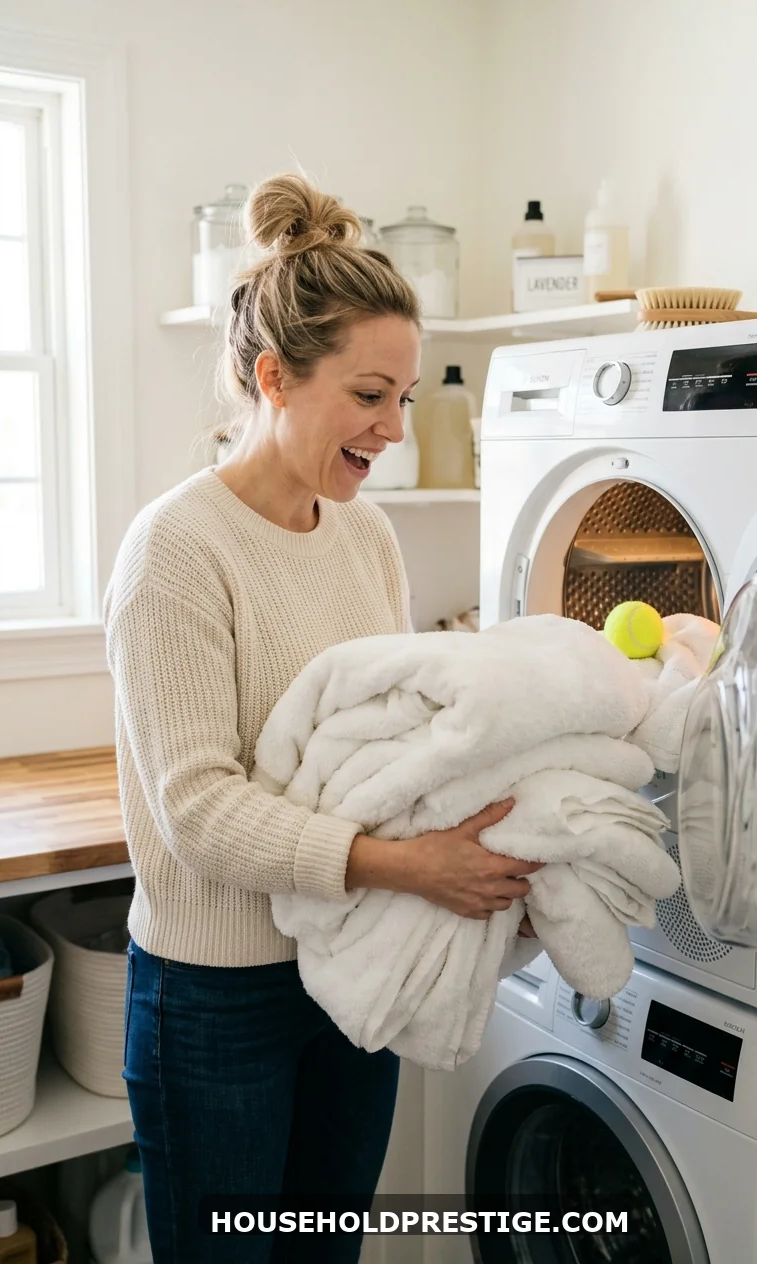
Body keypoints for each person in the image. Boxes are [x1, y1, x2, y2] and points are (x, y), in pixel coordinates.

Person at [104, 172, 539, 1264]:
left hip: (349, 969)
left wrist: (482, 851)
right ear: (273, 379)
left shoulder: (364, 537)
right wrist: (413, 869)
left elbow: (392, 742)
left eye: (401, 397)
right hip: (216, 999)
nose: (394, 427)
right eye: (368, 395)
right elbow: (200, 809)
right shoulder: (177, 550)